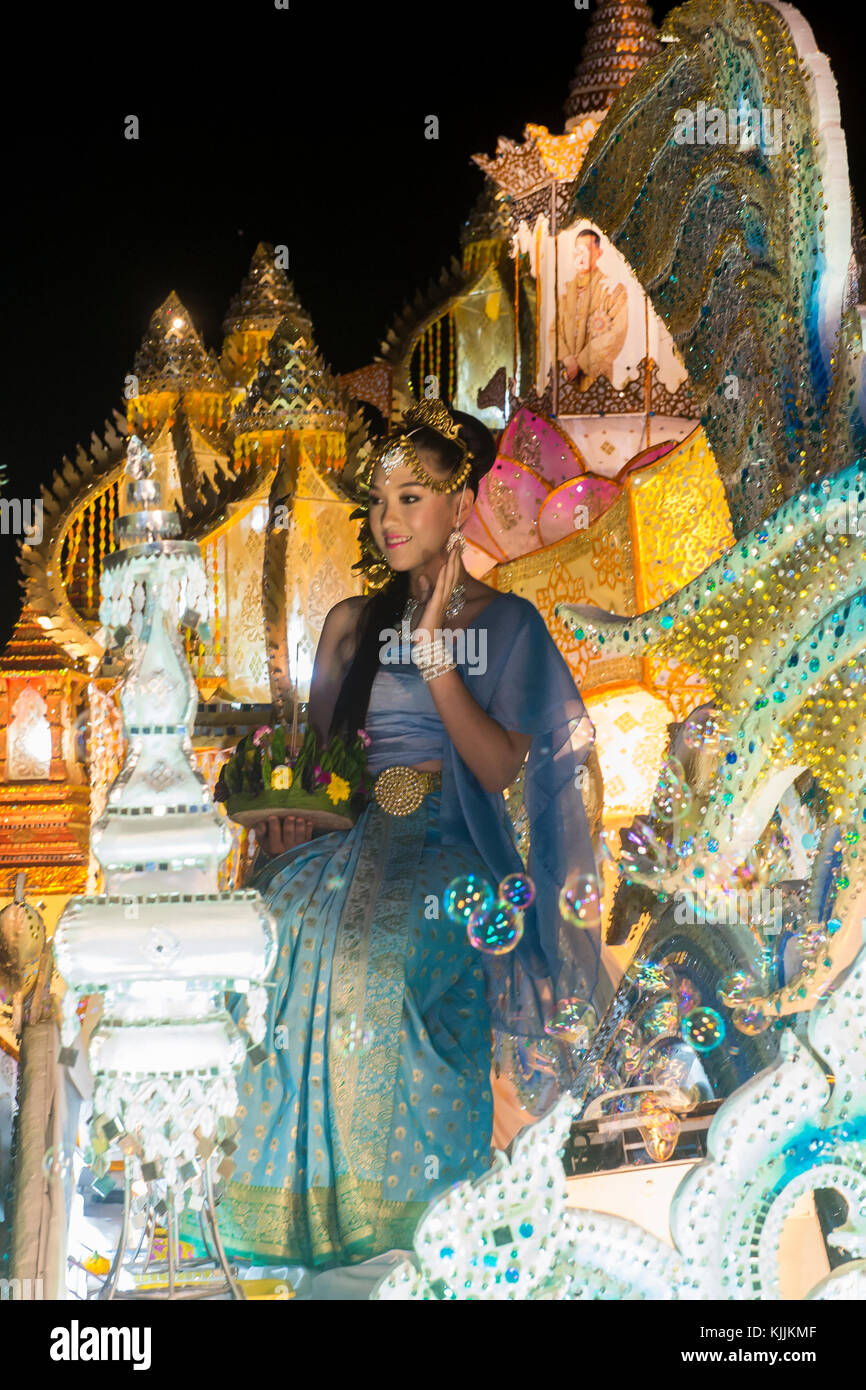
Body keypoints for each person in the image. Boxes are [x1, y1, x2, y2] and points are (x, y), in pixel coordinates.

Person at [212, 399, 610, 1273]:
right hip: (356, 846)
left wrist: (435, 659)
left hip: (453, 843)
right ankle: (317, 1218)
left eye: (411, 497)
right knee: (281, 938)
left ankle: (416, 1214)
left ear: (459, 508)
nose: (388, 519)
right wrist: (284, 816)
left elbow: (503, 768)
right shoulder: (352, 625)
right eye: (379, 501)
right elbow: (324, 770)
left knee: (381, 959)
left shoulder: (506, 627)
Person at [557, 228, 628, 390]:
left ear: (599, 253)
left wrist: (581, 362)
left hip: (598, 383)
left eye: (586, 249)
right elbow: (554, 331)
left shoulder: (612, 290)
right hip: (565, 381)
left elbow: (617, 333)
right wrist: (568, 360)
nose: (580, 255)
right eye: (577, 250)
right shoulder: (565, 293)